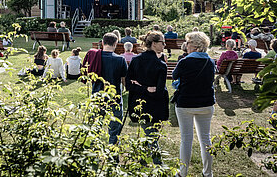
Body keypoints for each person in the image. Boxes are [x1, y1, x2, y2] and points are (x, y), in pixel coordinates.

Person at [172, 31, 215, 177]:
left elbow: (174, 75)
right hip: (206, 103)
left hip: (186, 103)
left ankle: (182, 173)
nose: (186, 45)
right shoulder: (210, 61)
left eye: (188, 42)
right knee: (205, 139)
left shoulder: (185, 61)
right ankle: (208, 173)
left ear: (196, 45)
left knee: (186, 139)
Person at [126, 31, 169, 164]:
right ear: (154, 44)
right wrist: (147, 88)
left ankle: (142, 160)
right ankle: (159, 165)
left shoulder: (136, 60)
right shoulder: (160, 65)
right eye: (162, 42)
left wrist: (140, 86)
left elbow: (130, 84)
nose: (165, 44)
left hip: (140, 104)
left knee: (151, 135)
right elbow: (158, 91)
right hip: (155, 107)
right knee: (152, 137)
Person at [92, 32, 128, 145]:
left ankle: (93, 153)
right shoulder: (120, 60)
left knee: (95, 127)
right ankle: (112, 153)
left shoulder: (95, 58)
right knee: (115, 129)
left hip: (97, 95)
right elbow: (124, 79)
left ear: (103, 43)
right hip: (115, 97)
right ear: (116, 43)